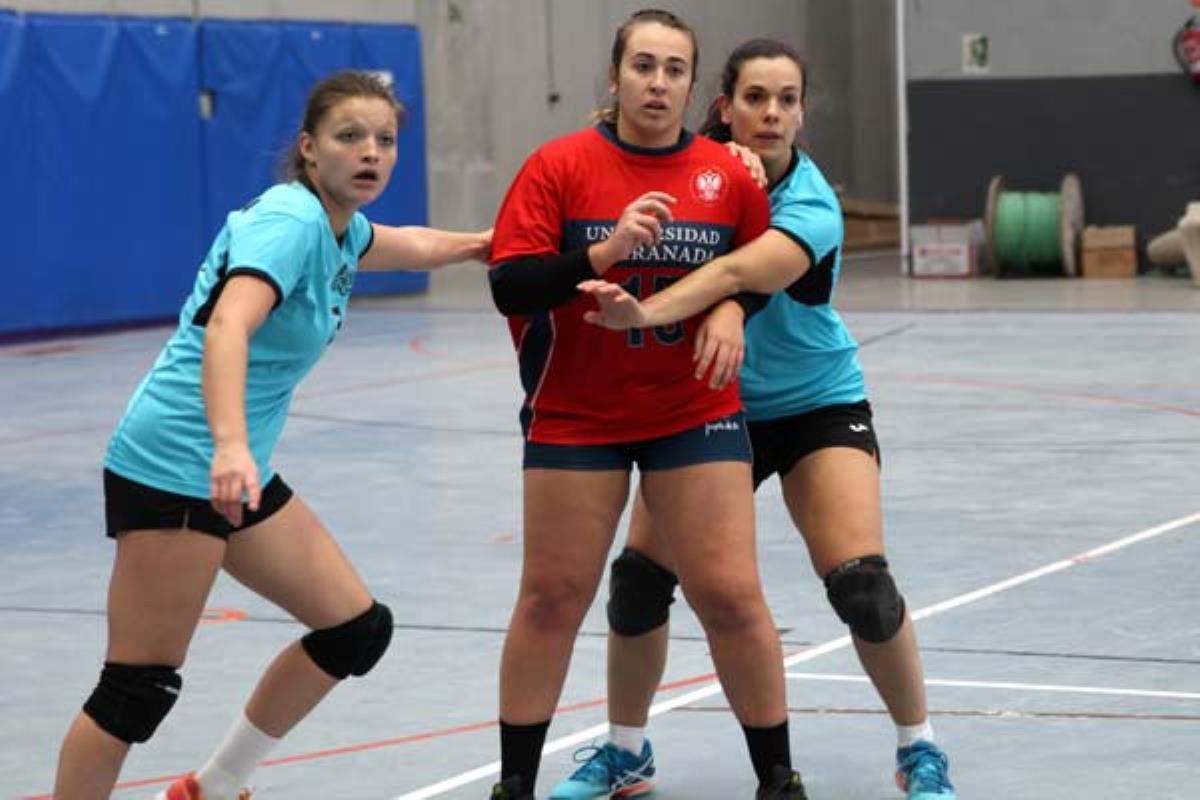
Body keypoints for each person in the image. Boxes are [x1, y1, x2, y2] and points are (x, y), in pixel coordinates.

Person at [49, 70, 491, 800]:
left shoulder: (337, 228)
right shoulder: (290, 223)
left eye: (384, 140)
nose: (371, 152)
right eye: (350, 136)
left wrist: (480, 245)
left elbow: (406, 244)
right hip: (179, 461)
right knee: (136, 688)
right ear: (309, 148)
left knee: (353, 629)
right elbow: (229, 323)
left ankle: (215, 786)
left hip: (233, 467)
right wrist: (229, 444)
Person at [552, 38, 957, 800]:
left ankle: (920, 747)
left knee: (863, 589)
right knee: (638, 584)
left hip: (814, 404)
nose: (771, 113)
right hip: (707, 408)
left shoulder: (812, 201)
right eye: (755, 98)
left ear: (803, 113)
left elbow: (744, 270)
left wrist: (705, 310)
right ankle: (627, 751)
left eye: (787, 100)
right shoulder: (689, 172)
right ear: (725, 106)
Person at [486, 10, 808, 800]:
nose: (657, 83)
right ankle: (514, 785)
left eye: (673, 69)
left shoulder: (728, 176)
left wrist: (732, 308)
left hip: (693, 410)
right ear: (615, 76)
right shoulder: (558, 165)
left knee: (730, 597)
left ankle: (779, 781)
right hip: (577, 415)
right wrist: (604, 252)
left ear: (693, 86)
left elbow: (758, 272)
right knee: (551, 600)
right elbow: (510, 284)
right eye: (643, 66)